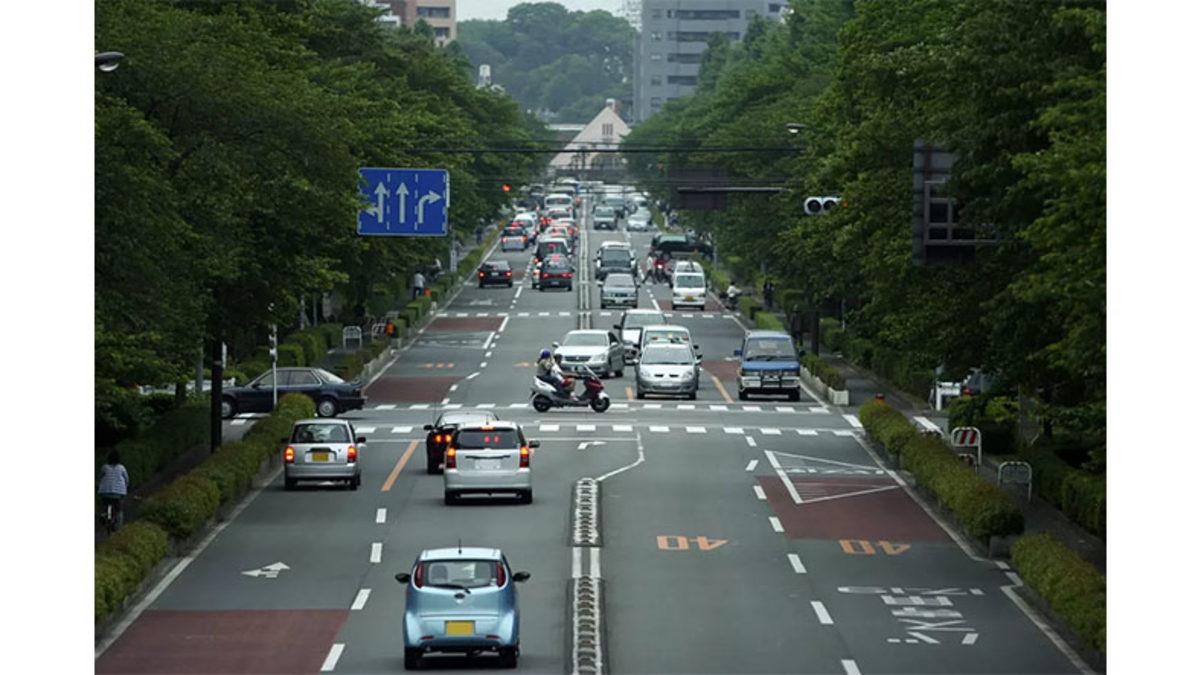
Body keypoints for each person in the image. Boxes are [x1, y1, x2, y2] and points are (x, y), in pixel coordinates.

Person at [97, 449, 130, 530]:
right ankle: (119, 528)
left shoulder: (104, 467)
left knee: (105, 505)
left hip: (105, 492)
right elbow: (126, 479)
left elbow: (99, 478)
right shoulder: (122, 468)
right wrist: (126, 486)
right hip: (118, 493)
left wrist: (98, 485)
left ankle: (103, 514)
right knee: (119, 510)